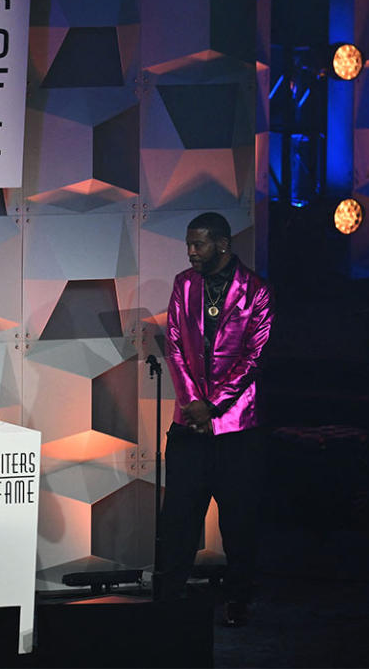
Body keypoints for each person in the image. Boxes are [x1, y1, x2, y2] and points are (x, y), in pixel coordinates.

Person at [159, 212, 274, 627]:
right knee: (178, 517)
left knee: (239, 521)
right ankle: (168, 598)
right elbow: (173, 344)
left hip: (237, 431)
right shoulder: (183, 284)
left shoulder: (256, 291)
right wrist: (193, 403)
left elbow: (254, 358)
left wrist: (215, 405)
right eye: (188, 244)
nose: (191, 251)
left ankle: (238, 598)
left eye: (199, 244)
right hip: (189, 425)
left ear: (222, 244)